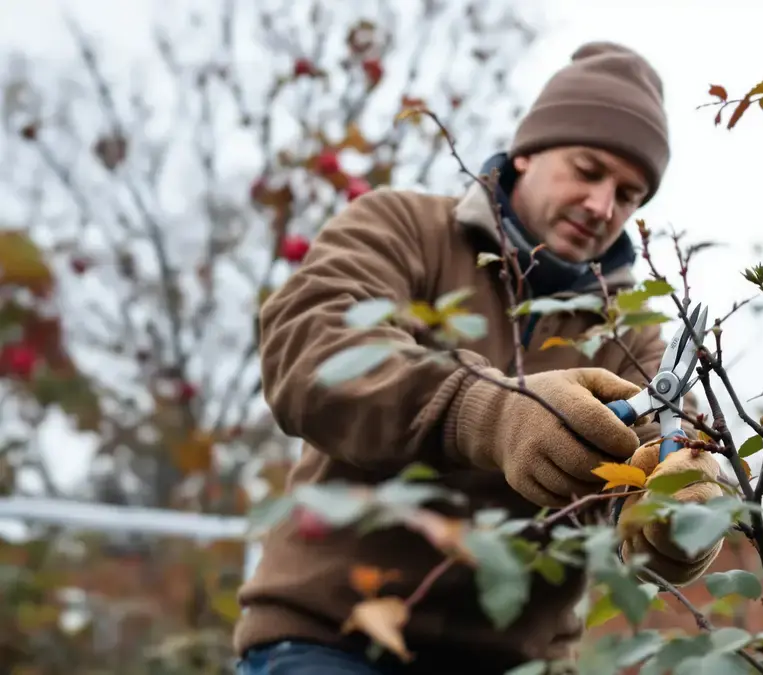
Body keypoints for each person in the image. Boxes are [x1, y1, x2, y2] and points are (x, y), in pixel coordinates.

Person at [232, 41, 726, 675]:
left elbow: (659, 472)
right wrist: (486, 412)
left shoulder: (632, 330)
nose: (604, 206)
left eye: (629, 194)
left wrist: (679, 514)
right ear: (527, 153)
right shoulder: (401, 228)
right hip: (332, 640)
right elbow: (312, 348)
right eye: (588, 169)